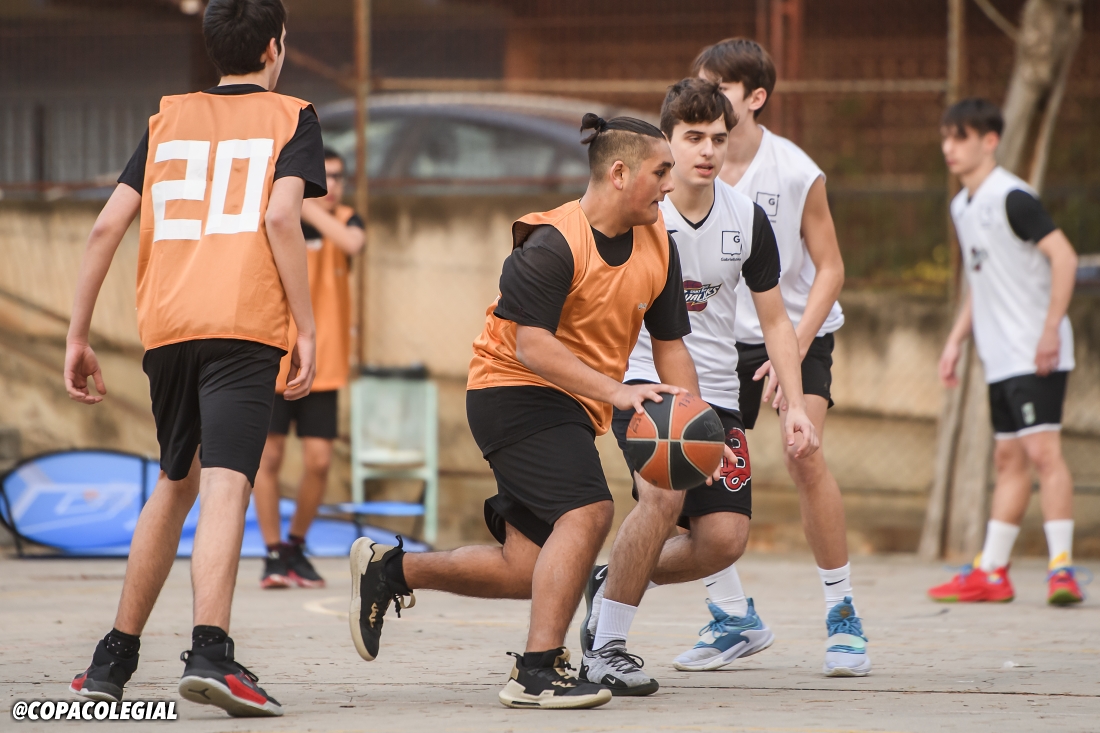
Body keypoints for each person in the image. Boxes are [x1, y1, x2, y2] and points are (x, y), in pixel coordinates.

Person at [345, 113, 732, 710]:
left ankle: (390, 572)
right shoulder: (552, 242)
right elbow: (532, 345)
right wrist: (618, 391)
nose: (670, 184)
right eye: (661, 172)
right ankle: (536, 672)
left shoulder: (658, 243)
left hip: (570, 401)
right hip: (512, 389)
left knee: (527, 568)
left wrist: (699, 428)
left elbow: (671, 346)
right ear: (619, 173)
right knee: (588, 512)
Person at [65, 0, 326, 717]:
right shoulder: (292, 116)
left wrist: (77, 334)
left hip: (170, 325)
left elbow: (106, 227)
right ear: (273, 47)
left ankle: (111, 661)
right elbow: (281, 216)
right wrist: (306, 328)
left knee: (175, 480)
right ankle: (211, 651)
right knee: (228, 481)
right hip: (241, 322)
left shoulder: (168, 117)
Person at [578, 78, 819, 695]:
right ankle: (607, 647)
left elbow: (775, 322)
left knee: (722, 541)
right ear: (667, 142)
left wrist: (794, 404)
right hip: (646, 386)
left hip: (718, 395)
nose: (708, 150)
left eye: (717, 137)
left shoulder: (748, 219)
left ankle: (610, 581)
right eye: (693, 138)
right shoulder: (641, 216)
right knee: (662, 500)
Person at [693, 38, 869, 677]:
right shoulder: (688, 168)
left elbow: (832, 267)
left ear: (756, 97)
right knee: (691, 466)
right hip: (717, 341)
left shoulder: (794, 171)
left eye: (720, 87)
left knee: (804, 454)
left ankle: (843, 614)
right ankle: (731, 615)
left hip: (796, 332)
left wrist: (790, 345)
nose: (707, 96)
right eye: (701, 84)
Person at [928, 98, 1082, 606]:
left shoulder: (1013, 198)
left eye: (960, 137)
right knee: (1008, 458)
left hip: (1036, 352)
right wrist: (955, 339)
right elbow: (982, 281)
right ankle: (992, 572)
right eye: (946, 137)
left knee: (1043, 454)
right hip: (999, 357)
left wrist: (1051, 329)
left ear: (990, 141)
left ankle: (1062, 569)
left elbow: (1064, 257)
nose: (949, 147)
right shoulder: (961, 206)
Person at [253, 148, 365, 590]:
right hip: (277, 357)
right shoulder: (276, 218)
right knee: (269, 457)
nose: (332, 185)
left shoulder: (346, 220)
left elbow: (353, 244)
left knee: (318, 461)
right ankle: (272, 552)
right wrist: (294, 206)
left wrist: (305, 204)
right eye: (324, 176)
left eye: (338, 177)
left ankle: (296, 545)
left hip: (326, 363)